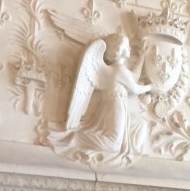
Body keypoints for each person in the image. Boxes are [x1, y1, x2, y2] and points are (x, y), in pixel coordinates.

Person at [45, 30, 151, 166]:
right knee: (114, 144)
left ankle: (80, 137)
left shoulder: (118, 70)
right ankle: (77, 138)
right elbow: (135, 88)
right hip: (116, 104)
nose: (130, 49)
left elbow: (134, 78)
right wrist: (151, 87)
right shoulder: (119, 70)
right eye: (127, 46)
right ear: (120, 49)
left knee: (132, 130)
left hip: (115, 104)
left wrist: (142, 57)